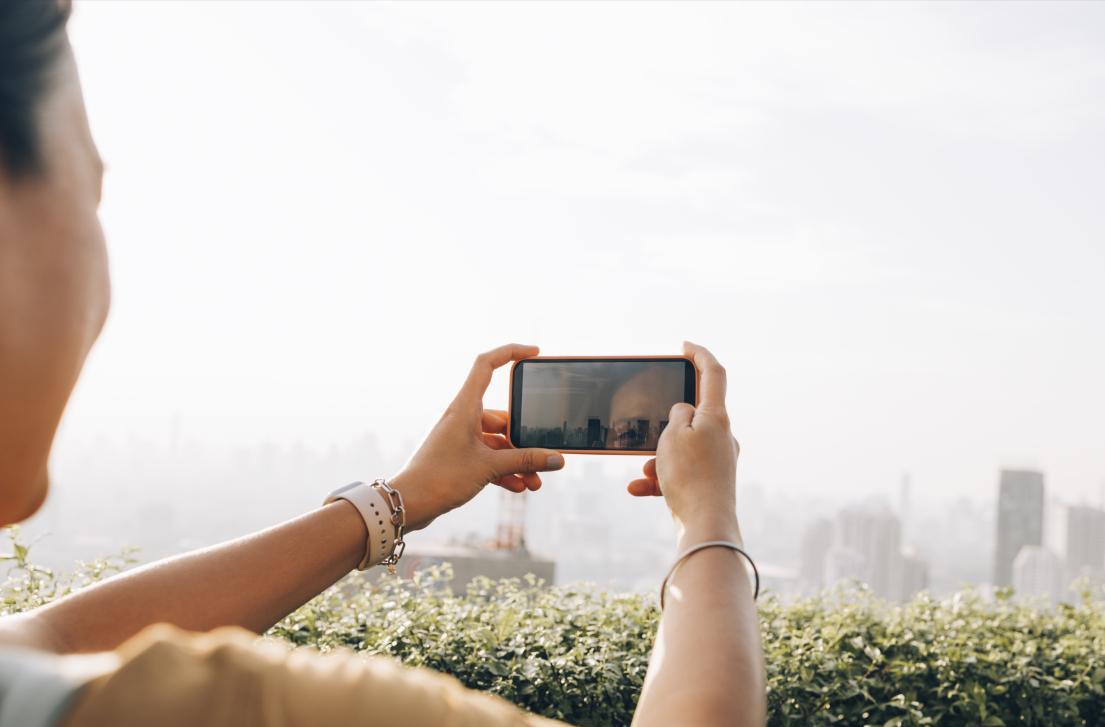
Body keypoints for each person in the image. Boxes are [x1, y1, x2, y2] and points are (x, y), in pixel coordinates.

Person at [0, 2, 766, 726]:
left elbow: (58, 644)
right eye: (91, 197)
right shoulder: (267, 708)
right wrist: (709, 518)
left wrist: (401, 497)